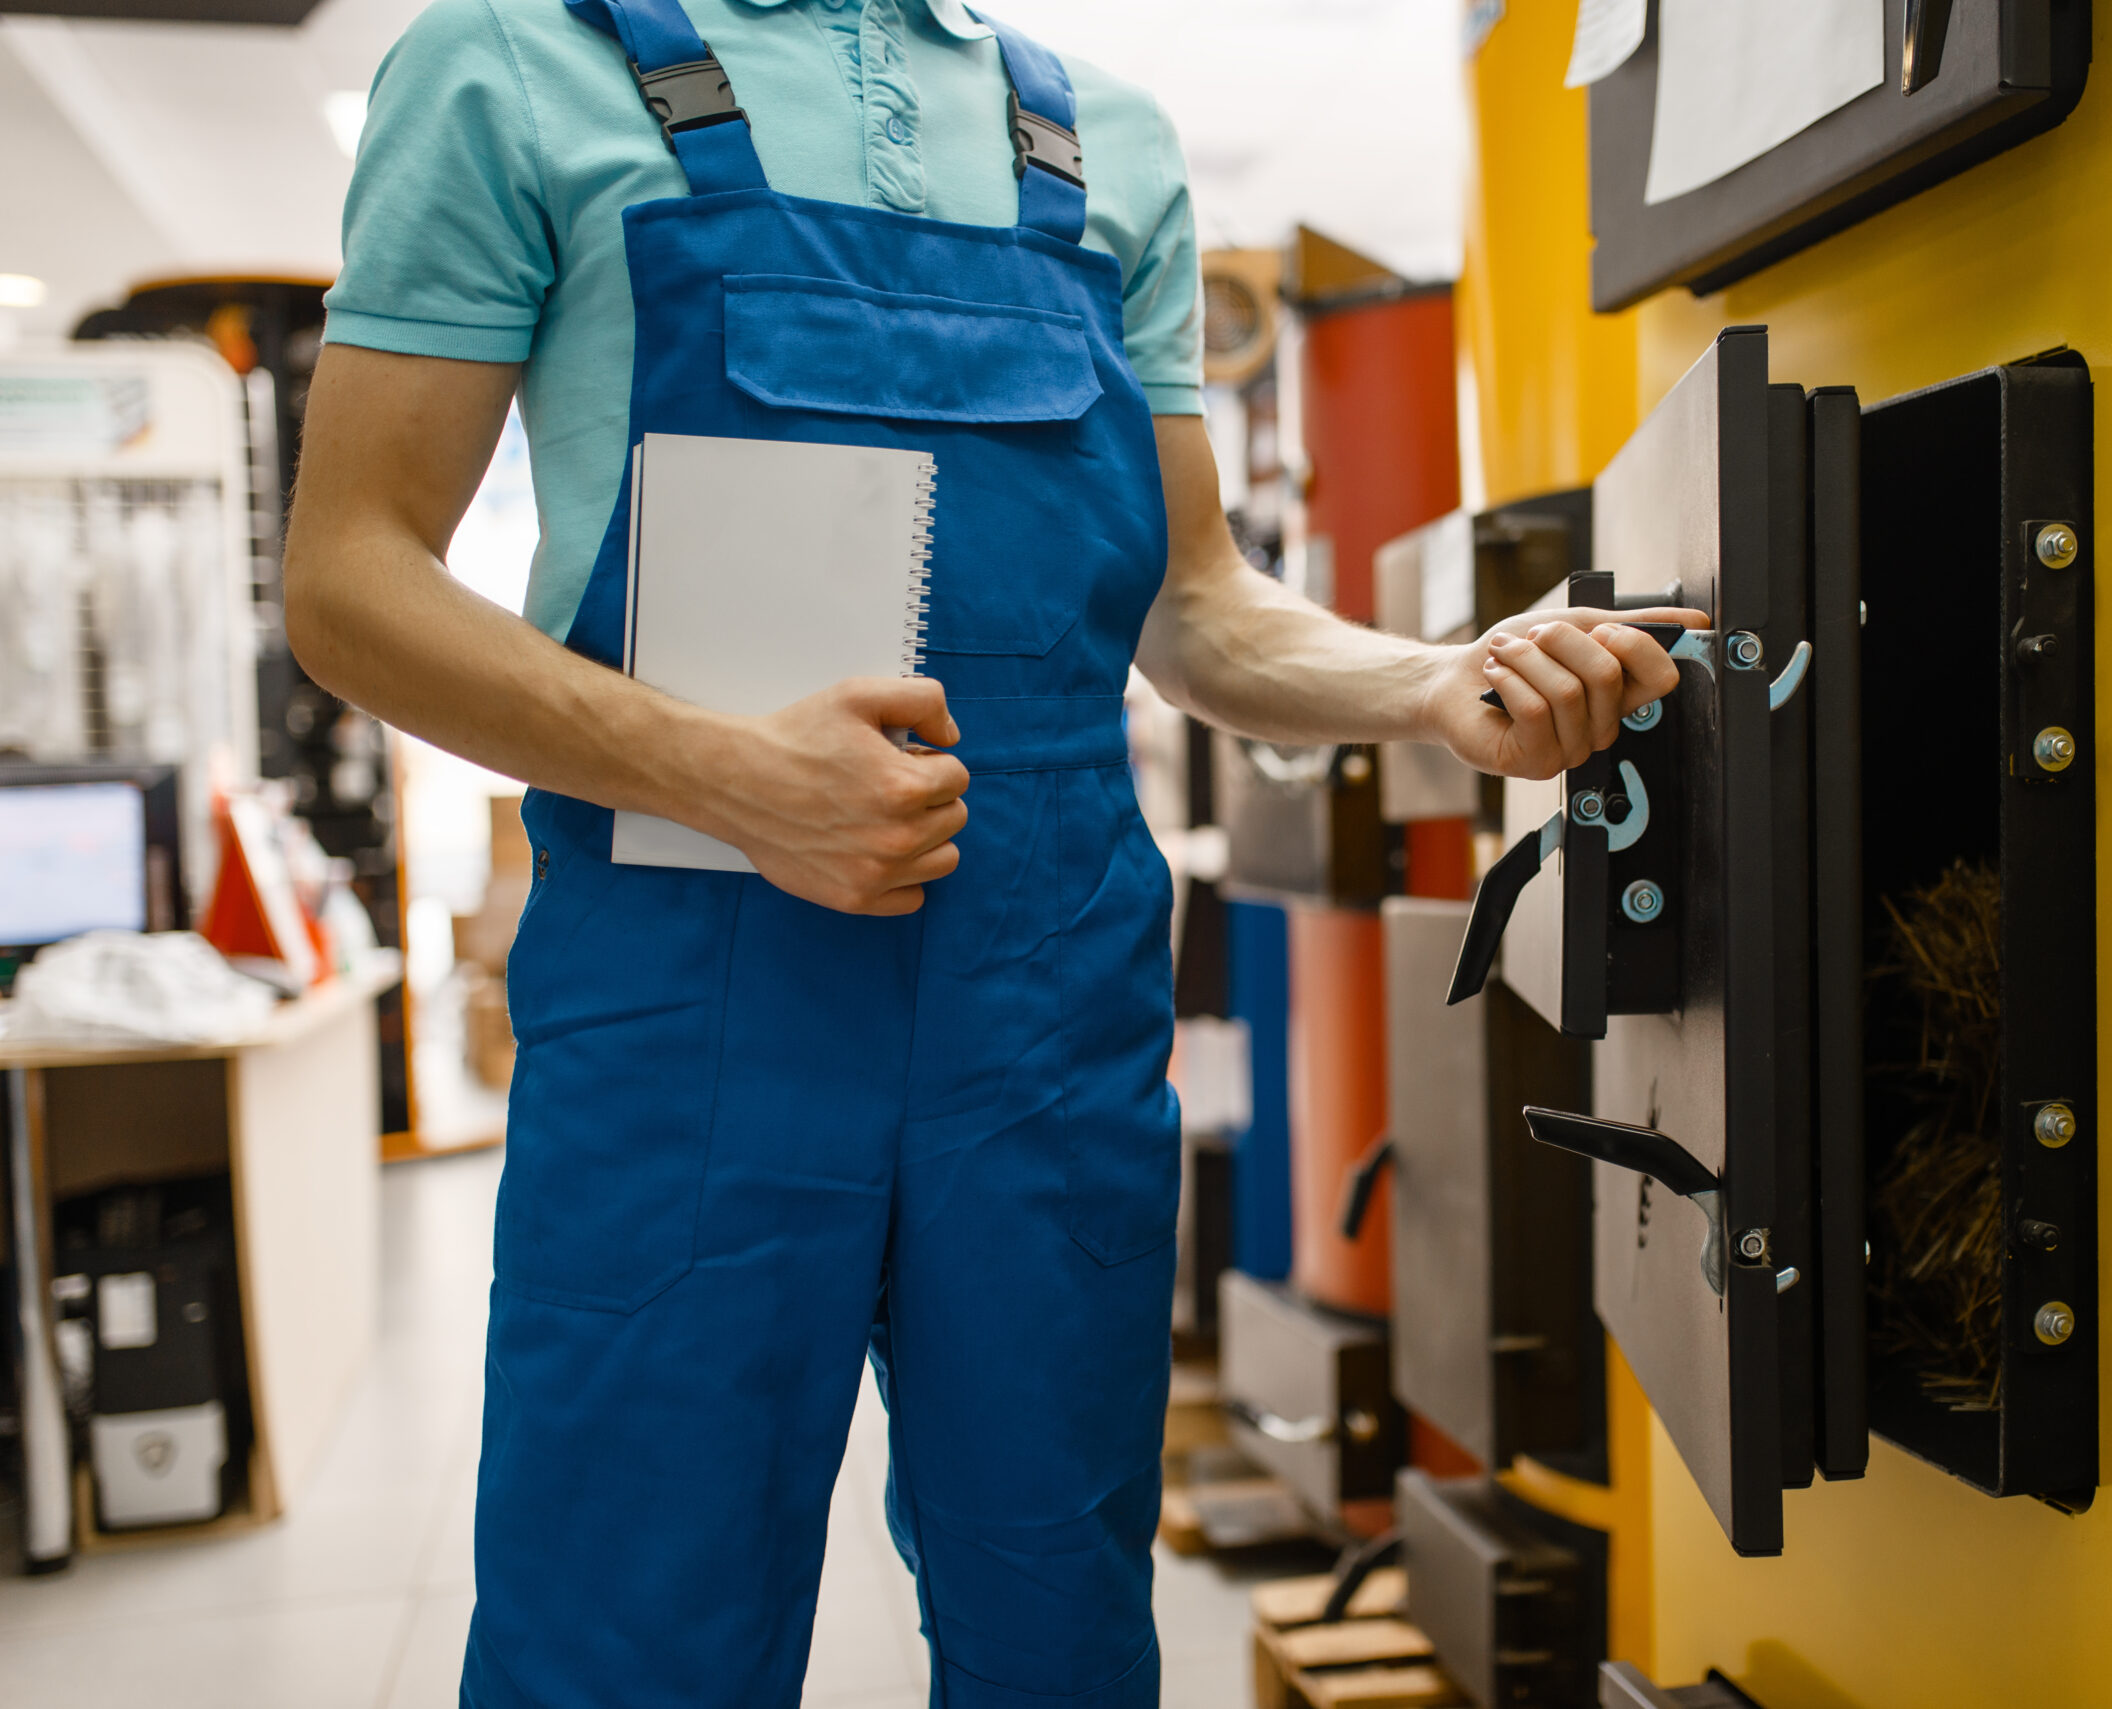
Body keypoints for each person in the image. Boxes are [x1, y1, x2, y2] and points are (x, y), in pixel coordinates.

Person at [283, 1, 1701, 1703]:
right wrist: (731, 777)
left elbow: (1194, 600)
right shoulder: (519, 65)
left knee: (1065, 1640)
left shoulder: (1102, 140)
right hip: (690, 1028)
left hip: (1039, 1027)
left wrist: (1434, 680)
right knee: (628, 1644)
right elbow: (350, 578)